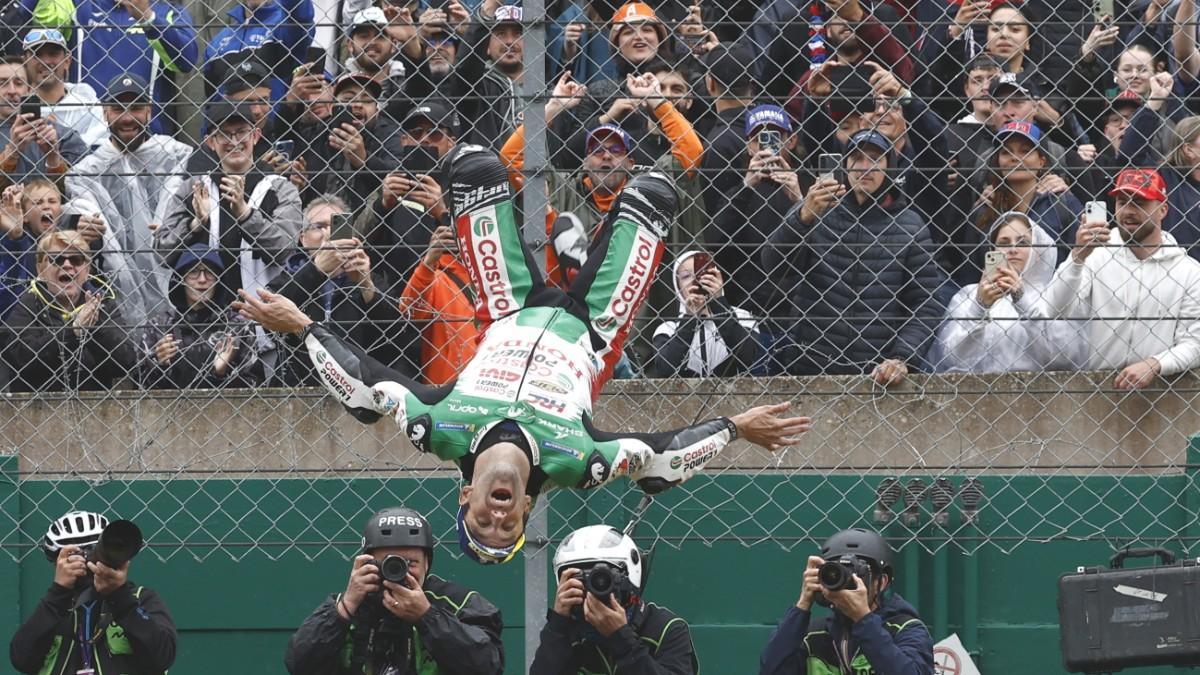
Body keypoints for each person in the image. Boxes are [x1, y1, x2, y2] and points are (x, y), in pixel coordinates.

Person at [236, 144, 812, 564]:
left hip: (508, 307)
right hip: (596, 328)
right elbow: (659, 460)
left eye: (481, 523)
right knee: (656, 192)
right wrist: (735, 427)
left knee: (474, 166)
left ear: (465, 499)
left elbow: (365, 390)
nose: (497, 517)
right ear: (524, 516)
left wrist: (303, 326)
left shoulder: (440, 430)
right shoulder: (574, 462)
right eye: (505, 528)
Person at [764, 129, 947, 384]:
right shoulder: (817, 209)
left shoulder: (911, 226)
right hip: (808, 365)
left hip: (876, 375)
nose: (865, 167)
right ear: (844, 164)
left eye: (875, 158)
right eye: (856, 158)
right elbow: (772, 263)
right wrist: (802, 217)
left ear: (890, 167)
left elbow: (926, 304)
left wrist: (903, 357)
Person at [284, 506, 505, 675]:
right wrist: (345, 607)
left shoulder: (458, 602)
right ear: (367, 561)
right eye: (389, 562)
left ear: (428, 563)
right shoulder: (351, 605)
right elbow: (298, 664)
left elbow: (489, 665)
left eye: (410, 562)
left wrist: (427, 616)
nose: (400, 571)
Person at [1044, 168, 1200, 390]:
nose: (1128, 211)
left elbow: (1195, 344)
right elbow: (1054, 310)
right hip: (1101, 390)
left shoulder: (1188, 271)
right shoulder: (1096, 255)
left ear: (1162, 210)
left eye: (1139, 202)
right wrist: (1077, 257)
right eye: (1122, 202)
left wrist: (1156, 364)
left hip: (1161, 394)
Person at [70, 73, 192, 324]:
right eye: (118, 109)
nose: (127, 118)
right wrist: (75, 223)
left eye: (136, 108)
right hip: (113, 297)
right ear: (105, 112)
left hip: (178, 281)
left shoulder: (177, 156)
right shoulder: (87, 172)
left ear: (149, 111)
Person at [155, 101, 302, 305]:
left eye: (241, 132)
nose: (234, 141)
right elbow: (162, 252)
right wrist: (194, 225)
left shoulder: (280, 189)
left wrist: (245, 215)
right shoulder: (192, 189)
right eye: (224, 134)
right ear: (210, 142)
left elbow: (283, 249)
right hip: (207, 319)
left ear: (255, 136)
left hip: (265, 311)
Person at [9, 510, 176, 675]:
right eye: (74, 555)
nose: (87, 559)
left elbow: (162, 657)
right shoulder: (53, 608)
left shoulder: (141, 599)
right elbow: (22, 660)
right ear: (57, 564)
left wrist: (120, 597)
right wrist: (58, 593)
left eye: (94, 550)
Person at [759, 528, 934, 675]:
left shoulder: (905, 629)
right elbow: (772, 670)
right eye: (837, 572)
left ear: (882, 582)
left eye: (859, 573)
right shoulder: (813, 635)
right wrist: (803, 604)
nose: (848, 580)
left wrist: (863, 620)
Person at [530, 524, 698, 674]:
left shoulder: (664, 628)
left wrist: (621, 639)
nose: (593, 588)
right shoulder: (568, 635)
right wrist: (558, 624)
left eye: (604, 578)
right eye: (582, 579)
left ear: (631, 577)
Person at [932, 212, 1085, 373]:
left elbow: (1064, 357)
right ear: (993, 250)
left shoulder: (1053, 293)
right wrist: (979, 307)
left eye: (1023, 243)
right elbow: (952, 357)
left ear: (1039, 250)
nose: (1012, 249)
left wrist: (1021, 300)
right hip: (976, 393)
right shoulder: (969, 295)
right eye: (1004, 243)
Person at [15, 0, 199, 134]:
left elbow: (186, 61)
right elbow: (26, 12)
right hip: (85, 137)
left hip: (144, 134)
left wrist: (147, 17)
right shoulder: (78, 6)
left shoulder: (166, 9)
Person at [3, 230, 138, 392]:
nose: (67, 265)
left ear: (87, 270)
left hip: (95, 409)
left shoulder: (104, 305)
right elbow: (20, 358)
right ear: (40, 269)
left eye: (76, 259)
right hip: (37, 410)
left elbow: (125, 362)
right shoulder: (28, 303)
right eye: (56, 259)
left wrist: (94, 327)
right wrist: (73, 332)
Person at [143, 243, 263, 389]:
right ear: (181, 278)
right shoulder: (159, 326)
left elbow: (255, 387)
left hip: (225, 411)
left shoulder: (238, 326)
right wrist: (159, 366)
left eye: (209, 272)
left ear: (219, 279)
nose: (202, 279)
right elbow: (140, 387)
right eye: (193, 271)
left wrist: (220, 373)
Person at [1118, 74, 1200, 259]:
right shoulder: (1166, 179)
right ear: (1189, 150)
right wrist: (1155, 101)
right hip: (1172, 272)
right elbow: (1129, 157)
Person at [649, 250, 762, 378]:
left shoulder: (743, 317)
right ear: (678, 286)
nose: (695, 280)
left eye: (702, 273)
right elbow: (665, 371)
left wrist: (719, 304)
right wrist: (689, 318)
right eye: (686, 276)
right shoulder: (668, 329)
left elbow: (748, 357)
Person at [398, 222, 479, 385]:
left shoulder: (504, 274)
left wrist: (544, 214)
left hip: (497, 379)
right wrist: (429, 262)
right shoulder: (435, 277)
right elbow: (410, 312)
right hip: (448, 390)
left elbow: (546, 278)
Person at [0, 55, 88, 189]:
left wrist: (53, 159)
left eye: (19, 83)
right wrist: (11, 154)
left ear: (30, 90)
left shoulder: (63, 136)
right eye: (2, 83)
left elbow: (80, 190)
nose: (12, 91)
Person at [203, 0, 314, 102]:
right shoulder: (218, 41)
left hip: (275, 120)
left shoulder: (284, 24)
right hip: (230, 122)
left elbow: (301, 17)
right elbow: (212, 103)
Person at [21, 28, 107, 148]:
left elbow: (100, 143)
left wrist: (60, 136)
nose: (45, 61)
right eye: (37, 55)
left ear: (67, 61)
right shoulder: (14, 103)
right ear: (25, 62)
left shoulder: (86, 100)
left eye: (53, 54)